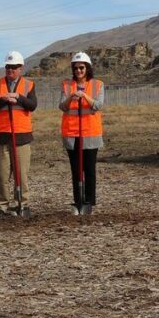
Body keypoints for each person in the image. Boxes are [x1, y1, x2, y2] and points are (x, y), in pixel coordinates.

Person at [0, 51, 38, 217]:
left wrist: (18, 97)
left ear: (21, 68)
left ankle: (23, 203)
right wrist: (4, 99)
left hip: (22, 136)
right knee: (1, 174)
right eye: (8, 67)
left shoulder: (29, 85)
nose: (10, 70)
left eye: (14, 67)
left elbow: (32, 105)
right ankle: (1, 205)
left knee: (21, 173)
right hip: (1, 136)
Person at [58, 52, 104, 215]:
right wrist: (72, 96)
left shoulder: (97, 84)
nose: (78, 70)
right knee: (76, 169)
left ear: (87, 68)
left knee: (89, 168)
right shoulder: (66, 85)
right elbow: (62, 106)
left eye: (81, 67)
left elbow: (98, 105)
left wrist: (84, 95)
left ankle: (89, 201)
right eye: (76, 68)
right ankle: (78, 200)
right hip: (72, 134)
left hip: (90, 133)